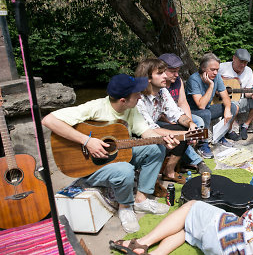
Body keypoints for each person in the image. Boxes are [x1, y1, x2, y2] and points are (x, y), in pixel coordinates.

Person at [42, 74, 180, 233]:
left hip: (118, 156)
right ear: (123, 100)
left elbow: (146, 132)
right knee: (125, 170)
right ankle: (125, 208)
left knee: (157, 148)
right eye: (137, 94)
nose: (140, 96)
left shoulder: (131, 109)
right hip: (91, 166)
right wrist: (86, 141)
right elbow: (48, 120)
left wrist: (164, 139)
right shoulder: (95, 107)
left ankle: (141, 199)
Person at [110, 169, 253, 255]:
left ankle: (142, 242)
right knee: (190, 230)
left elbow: (249, 217)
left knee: (193, 208)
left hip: (235, 246)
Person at [135, 58, 199, 184]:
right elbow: (149, 129)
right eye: (160, 73)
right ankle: (145, 176)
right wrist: (182, 135)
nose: (165, 76)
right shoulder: (137, 97)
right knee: (179, 135)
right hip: (135, 135)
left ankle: (168, 172)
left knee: (184, 128)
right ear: (147, 78)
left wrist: (191, 124)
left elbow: (176, 113)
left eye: (164, 72)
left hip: (151, 129)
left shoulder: (162, 91)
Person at [156, 53, 211, 174]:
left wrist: (190, 122)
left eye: (178, 71)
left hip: (175, 115)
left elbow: (182, 103)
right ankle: (197, 161)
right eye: (173, 71)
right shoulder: (157, 87)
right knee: (181, 130)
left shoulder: (177, 81)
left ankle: (198, 146)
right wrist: (169, 120)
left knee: (198, 122)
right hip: (159, 120)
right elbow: (155, 113)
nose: (177, 74)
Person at [185, 53, 239, 159]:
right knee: (205, 113)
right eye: (212, 69)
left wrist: (227, 109)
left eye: (217, 70)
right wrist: (211, 86)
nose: (215, 73)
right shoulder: (194, 79)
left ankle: (219, 136)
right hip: (192, 112)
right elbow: (201, 105)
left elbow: (225, 96)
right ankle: (203, 144)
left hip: (207, 109)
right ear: (203, 68)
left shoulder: (217, 77)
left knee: (232, 106)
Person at [219, 48, 253, 140]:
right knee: (235, 105)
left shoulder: (248, 71)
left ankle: (245, 125)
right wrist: (224, 80)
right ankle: (229, 131)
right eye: (241, 62)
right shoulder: (222, 67)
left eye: (245, 63)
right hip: (224, 100)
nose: (243, 65)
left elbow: (247, 92)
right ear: (234, 58)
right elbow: (212, 77)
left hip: (241, 99)